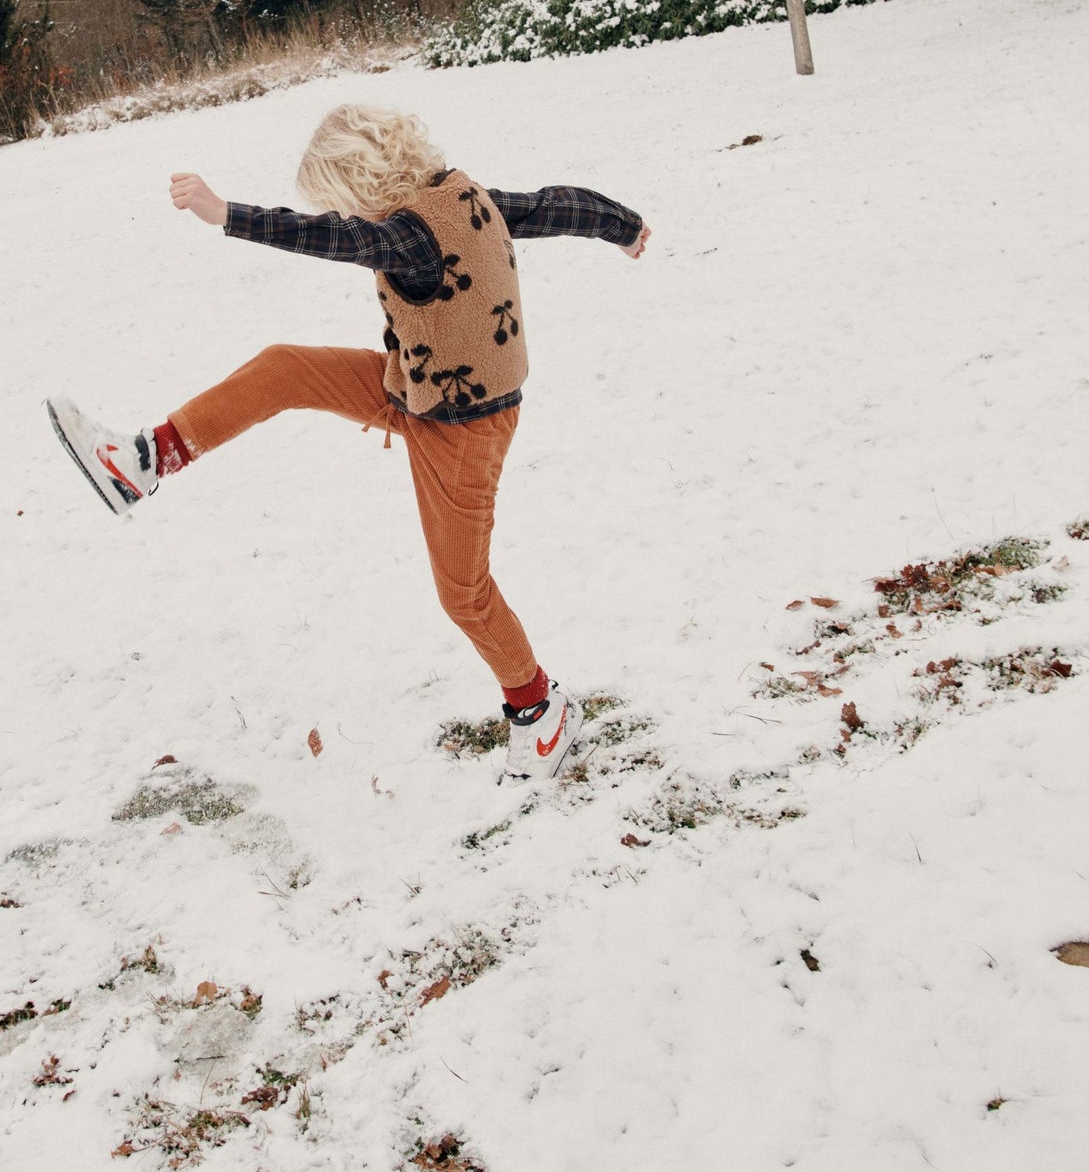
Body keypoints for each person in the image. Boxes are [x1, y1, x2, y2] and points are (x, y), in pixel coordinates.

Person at [47, 104, 649, 783]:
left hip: (461, 430)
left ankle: (540, 711)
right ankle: (145, 461)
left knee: (464, 592)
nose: (343, 213)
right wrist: (622, 226)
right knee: (283, 367)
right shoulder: (463, 198)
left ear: (361, 181)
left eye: (339, 198)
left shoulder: (408, 236)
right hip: (419, 387)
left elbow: (330, 238)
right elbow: (553, 205)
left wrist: (226, 215)